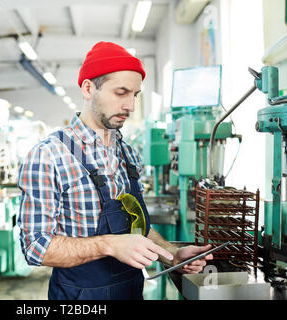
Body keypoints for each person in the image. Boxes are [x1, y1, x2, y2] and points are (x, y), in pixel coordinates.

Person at [17, 41, 213, 300]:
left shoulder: (128, 154)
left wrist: (170, 254)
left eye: (135, 95)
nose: (131, 106)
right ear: (88, 88)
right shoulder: (49, 155)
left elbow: (136, 229)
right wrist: (109, 244)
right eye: (121, 92)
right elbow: (35, 247)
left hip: (131, 292)